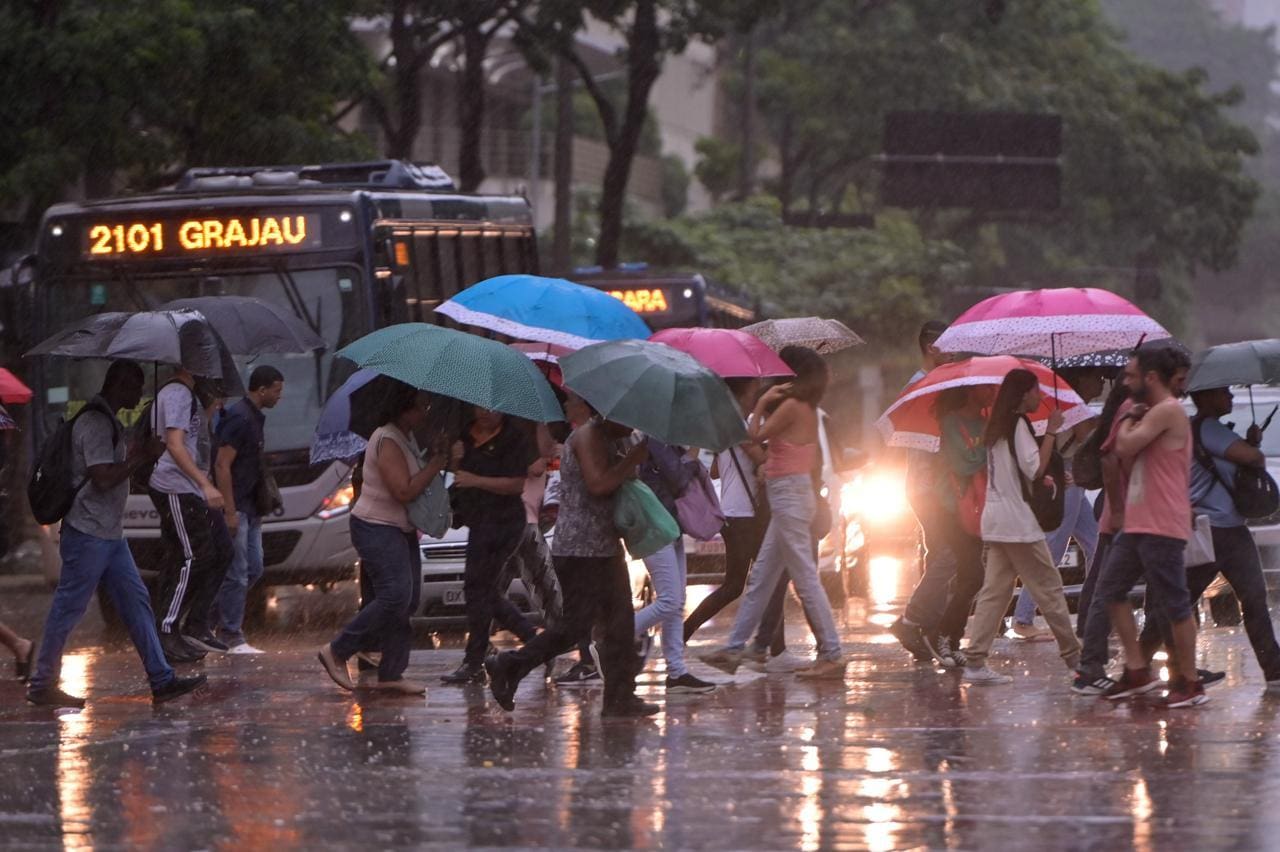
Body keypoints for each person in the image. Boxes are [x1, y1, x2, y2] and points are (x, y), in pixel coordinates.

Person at [27, 361, 206, 707]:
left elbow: (121, 474)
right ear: (119, 385)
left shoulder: (110, 422)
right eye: (136, 387)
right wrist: (141, 457)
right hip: (88, 532)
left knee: (138, 605)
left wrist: (146, 456)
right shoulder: (95, 422)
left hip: (109, 535)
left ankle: (162, 679)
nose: (140, 395)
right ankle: (41, 684)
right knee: (68, 609)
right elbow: (103, 477)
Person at [484, 393, 658, 717]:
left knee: (620, 624)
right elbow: (598, 483)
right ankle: (509, 664)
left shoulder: (607, 436)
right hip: (580, 550)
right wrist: (632, 459)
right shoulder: (587, 435)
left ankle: (620, 697)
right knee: (573, 628)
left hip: (603, 546)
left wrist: (632, 455)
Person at [701, 346, 845, 679]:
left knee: (806, 580)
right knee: (762, 577)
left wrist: (763, 402)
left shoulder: (793, 407)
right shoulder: (805, 407)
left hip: (790, 498)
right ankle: (736, 647)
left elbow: (751, 435)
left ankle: (832, 653)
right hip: (789, 497)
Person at [1137, 386, 1280, 691]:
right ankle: (1138, 664)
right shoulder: (1207, 428)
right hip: (1212, 531)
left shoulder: (1201, 429)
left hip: (1226, 530)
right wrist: (1250, 446)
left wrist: (1246, 442)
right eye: (1224, 392)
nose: (1229, 397)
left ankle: (1274, 670)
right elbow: (1253, 459)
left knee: (1243, 598)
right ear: (1205, 397)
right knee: (1183, 603)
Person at [1096, 345, 1208, 707]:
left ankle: (1190, 684)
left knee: (1175, 604)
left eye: (1130, 375)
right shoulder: (1149, 412)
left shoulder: (1168, 411)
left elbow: (1126, 447)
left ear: (1151, 378)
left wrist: (1128, 418)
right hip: (1138, 520)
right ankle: (1137, 670)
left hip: (1162, 523)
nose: (1124, 382)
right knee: (1111, 590)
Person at [318, 382, 447, 695]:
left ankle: (392, 672)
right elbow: (403, 490)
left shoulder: (406, 437)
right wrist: (436, 465)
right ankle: (337, 650)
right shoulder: (386, 438)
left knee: (408, 599)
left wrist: (436, 452)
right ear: (404, 407)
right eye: (421, 405)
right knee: (394, 595)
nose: (425, 410)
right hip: (375, 526)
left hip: (400, 528)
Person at [962, 369, 1081, 685]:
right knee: (1050, 588)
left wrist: (1047, 476)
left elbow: (1016, 472)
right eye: (1035, 391)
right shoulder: (1017, 424)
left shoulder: (996, 427)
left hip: (997, 519)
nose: (1039, 396)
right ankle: (1077, 659)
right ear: (1022, 394)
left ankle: (975, 661)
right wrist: (1053, 431)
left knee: (995, 593)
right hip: (1017, 523)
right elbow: (1033, 467)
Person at [441, 407, 539, 685]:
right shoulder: (466, 435)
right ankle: (532, 641)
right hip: (477, 519)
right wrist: (456, 462)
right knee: (481, 591)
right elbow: (459, 482)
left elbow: (516, 485)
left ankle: (475, 660)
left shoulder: (513, 437)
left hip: (504, 522)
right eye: (479, 407)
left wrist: (477, 480)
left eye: (491, 408)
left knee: (478, 588)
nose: (484, 413)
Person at [1008, 368, 1106, 640]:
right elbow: (1086, 434)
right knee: (1054, 546)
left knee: (1096, 542)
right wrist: (1106, 421)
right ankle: (1023, 618)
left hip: (1072, 473)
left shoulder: (1075, 403)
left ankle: (1096, 611)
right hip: (1067, 477)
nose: (1100, 381)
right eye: (1096, 376)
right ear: (1081, 379)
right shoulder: (1070, 402)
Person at [891, 321, 963, 663]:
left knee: (938, 556)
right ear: (933, 347)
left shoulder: (934, 383)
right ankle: (912, 620)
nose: (954, 353)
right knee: (949, 554)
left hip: (937, 485)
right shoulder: (920, 387)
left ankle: (927, 630)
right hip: (925, 485)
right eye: (948, 347)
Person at [148, 367, 229, 664]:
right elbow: (175, 445)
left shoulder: (189, 396)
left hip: (188, 488)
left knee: (214, 552)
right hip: (175, 487)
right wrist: (205, 484)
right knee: (192, 557)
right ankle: (167, 628)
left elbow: (195, 441)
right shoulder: (177, 394)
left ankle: (191, 623)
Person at [682, 378, 767, 645]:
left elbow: (717, 470)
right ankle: (766, 644)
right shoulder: (740, 427)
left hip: (733, 513)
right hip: (744, 515)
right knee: (747, 583)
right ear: (743, 393)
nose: (757, 392)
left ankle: (770, 643)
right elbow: (762, 460)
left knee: (752, 582)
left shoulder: (728, 428)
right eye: (754, 388)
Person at [212, 365, 284, 654]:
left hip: (253, 508)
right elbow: (221, 465)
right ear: (262, 389)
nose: (280, 397)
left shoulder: (254, 418)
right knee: (237, 571)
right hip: (238, 507)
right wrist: (229, 510)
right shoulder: (239, 419)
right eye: (277, 390)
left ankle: (205, 619)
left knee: (253, 568)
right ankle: (231, 634)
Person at [637, 437, 717, 694]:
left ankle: (676, 672)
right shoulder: (656, 440)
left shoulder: (667, 442)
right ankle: (613, 636)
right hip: (654, 525)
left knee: (677, 601)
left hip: (670, 524)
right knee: (670, 600)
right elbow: (679, 479)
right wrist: (693, 455)